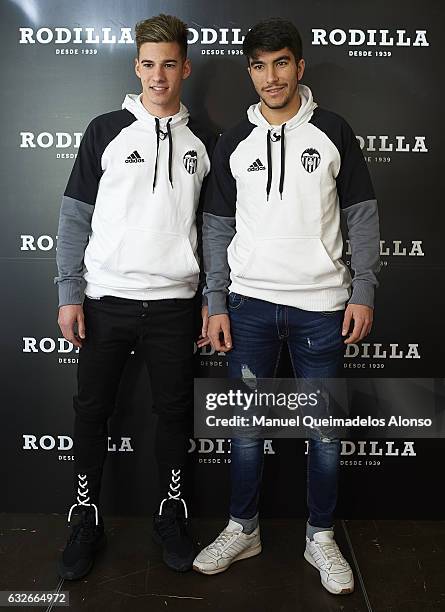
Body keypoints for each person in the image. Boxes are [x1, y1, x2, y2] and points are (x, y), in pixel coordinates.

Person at [194, 18, 380, 595]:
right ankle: (242, 528)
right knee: (247, 430)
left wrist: (364, 289)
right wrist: (217, 302)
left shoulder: (334, 131)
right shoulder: (232, 141)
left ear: (299, 67)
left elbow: (362, 216)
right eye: (259, 66)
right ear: (249, 71)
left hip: (322, 307)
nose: (270, 77)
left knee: (323, 433)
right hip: (248, 306)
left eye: (281, 63)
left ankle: (320, 537)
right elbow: (217, 226)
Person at [55, 13, 215, 579]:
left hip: (175, 304)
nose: (158, 75)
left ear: (185, 67)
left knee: (173, 413)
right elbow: (75, 218)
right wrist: (70, 291)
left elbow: (214, 229)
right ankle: (84, 516)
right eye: (148, 64)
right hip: (106, 298)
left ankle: (171, 513)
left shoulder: (207, 141)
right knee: (91, 411)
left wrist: (209, 302)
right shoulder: (105, 129)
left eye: (169, 63)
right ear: (136, 67)